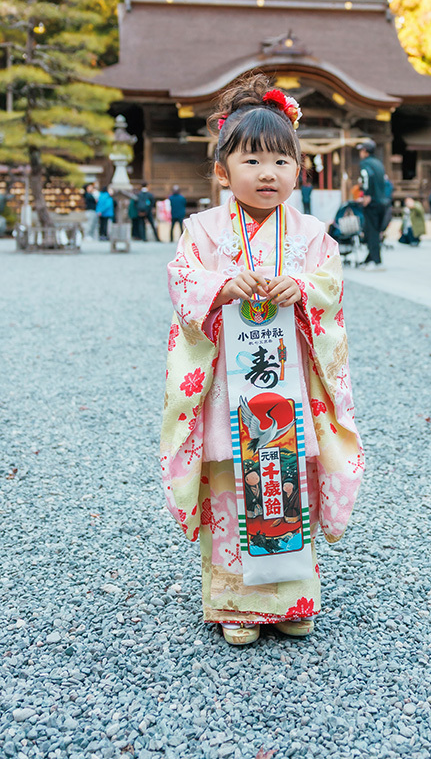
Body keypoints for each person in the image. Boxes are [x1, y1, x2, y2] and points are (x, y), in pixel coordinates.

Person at [159, 74, 363, 647]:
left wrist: (302, 287)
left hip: (288, 389)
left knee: (286, 474)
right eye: (252, 160)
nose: (268, 173)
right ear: (223, 169)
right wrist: (221, 286)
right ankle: (234, 602)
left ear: (299, 169)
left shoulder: (314, 234)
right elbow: (183, 281)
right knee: (231, 480)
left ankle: (294, 597)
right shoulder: (200, 229)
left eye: (281, 160)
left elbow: (330, 285)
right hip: (229, 384)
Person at [357, 139, 386, 268]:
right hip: (382, 201)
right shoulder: (379, 163)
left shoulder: (366, 163)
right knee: (375, 230)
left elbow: (367, 176)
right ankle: (371, 257)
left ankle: (375, 260)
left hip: (372, 201)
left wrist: (366, 194)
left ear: (365, 151)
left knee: (371, 231)